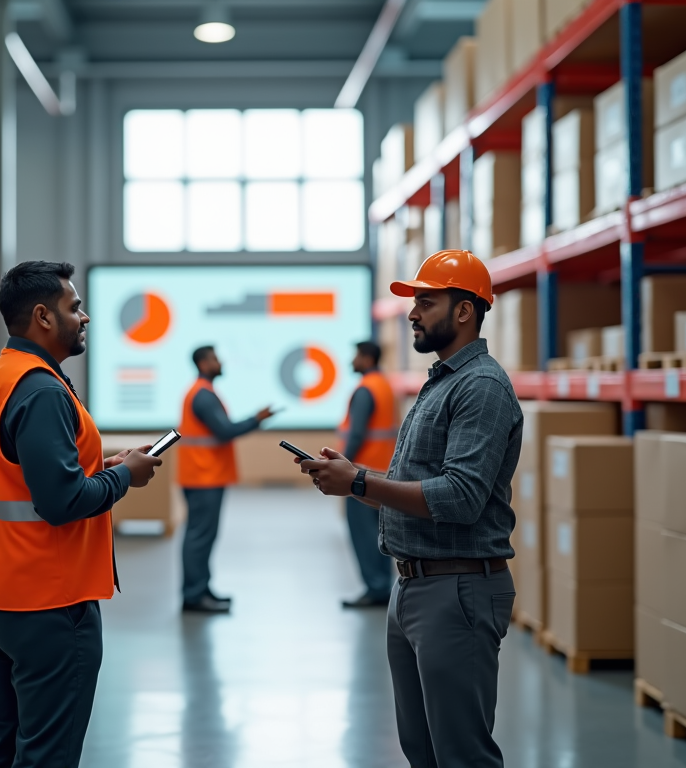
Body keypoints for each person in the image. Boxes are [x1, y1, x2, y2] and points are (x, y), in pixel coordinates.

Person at [299, 250, 522, 768]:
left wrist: (358, 484)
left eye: (426, 301)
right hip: (414, 585)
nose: (413, 312)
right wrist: (360, 474)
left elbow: (460, 497)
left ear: (464, 311)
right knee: (421, 750)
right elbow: (418, 480)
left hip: (457, 588)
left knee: (461, 754)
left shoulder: (481, 386)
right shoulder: (441, 381)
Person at [0, 261, 163, 768]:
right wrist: (126, 477)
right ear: (42, 317)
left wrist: (102, 467)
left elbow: (34, 476)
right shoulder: (43, 390)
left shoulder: (1, 378)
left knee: (4, 741)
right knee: (47, 752)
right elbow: (62, 503)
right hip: (47, 601)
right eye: (74, 307)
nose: (85, 317)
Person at [177, 345, 275, 613]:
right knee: (199, 537)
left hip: (203, 475)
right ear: (203, 363)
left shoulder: (202, 392)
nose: (220, 363)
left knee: (203, 536)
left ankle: (201, 589)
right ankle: (195, 596)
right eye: (215, 359)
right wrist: (257, 419)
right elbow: (224, 431)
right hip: (203, 476)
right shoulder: (203, 396)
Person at [337, 340, 399, 608]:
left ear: (365, 358)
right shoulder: (384, 385)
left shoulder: (365, 390)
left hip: (359, 474)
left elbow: (358, 433)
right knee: (380, 533)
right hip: (383, 471)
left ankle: (375, 588)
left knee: (363, 533)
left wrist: (340, 465)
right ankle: (382, 586)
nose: (352, 361)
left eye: (355, 356)